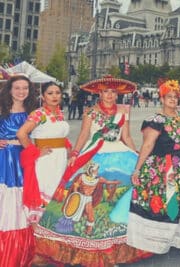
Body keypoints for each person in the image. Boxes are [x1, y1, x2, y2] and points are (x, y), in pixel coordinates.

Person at [32, 75, 150, 266]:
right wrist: (76, 153)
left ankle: (118, 246)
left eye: (113, 92)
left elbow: (126, 136)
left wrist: (136, 153)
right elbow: (84, 135)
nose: (109, 95)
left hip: (120, 153)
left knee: (125, 196)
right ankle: (91, 245)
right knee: (93, 197)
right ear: (99, 93)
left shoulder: (124, 111)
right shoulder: (90, 112)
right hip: (95, 155)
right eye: (105, 91)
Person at [127, 80, 180, 253]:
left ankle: (173, 237)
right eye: (169, 97)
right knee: (168, 202)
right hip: (166, 168)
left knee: (179, 202)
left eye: (176, 97)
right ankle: (158, 241)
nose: (173, 100)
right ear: (162, 98)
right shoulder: (155, 120)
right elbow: (148, 145)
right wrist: (137, 168)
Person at [17, 81, 70, 223]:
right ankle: (38, 233)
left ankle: (51, 232)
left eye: (58, 93)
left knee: (58, 193)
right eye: (50, 93)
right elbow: (22, 134)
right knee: (45, 192)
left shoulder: (59, 113)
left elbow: (62, 138)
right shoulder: (39, 113)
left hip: (61, 159)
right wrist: (35, 152)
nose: (54, 96)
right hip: (46, 161)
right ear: (43, 96)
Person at [0, 75, 37, 267]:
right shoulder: (1, 109)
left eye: (25, 88)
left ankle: (19, 251)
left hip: (24, 160)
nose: (22, 92)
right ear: (9, 90)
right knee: (5, 203)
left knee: (21, 205)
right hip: (4, 160)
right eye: (17, 88)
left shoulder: (33, 112)